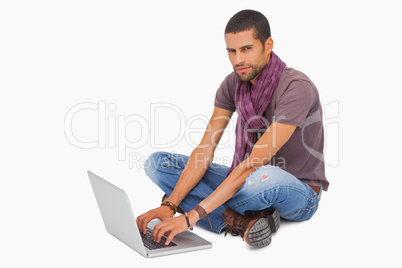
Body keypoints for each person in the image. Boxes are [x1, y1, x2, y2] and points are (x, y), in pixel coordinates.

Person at [136, 9, 329, 248]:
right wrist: (170, 205)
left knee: (260, 178)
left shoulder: (296, 87)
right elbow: (205, 149)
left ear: (268, 45)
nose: (238, 59)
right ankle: (241, 221)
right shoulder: (233, 84)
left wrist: (190, 216)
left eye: (246, 49)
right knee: (158, 163)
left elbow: (253, 163)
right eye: (232, 51)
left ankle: (214, 209)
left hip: (297, 191)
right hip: (246, 177)